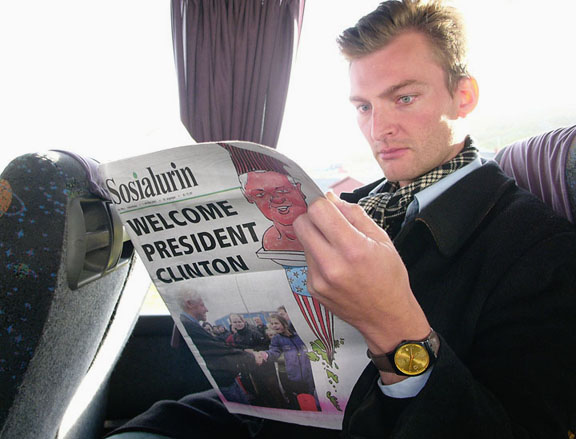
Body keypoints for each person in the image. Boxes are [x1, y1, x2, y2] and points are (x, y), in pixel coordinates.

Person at [106, 1, 576, 437]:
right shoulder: (348, 203)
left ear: (464, 96)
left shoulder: (541, 251)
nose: (378, 128)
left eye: (405, 98)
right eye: (364, 106)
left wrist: (395, 328)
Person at [262, 314, 319, 411]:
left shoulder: (298, 335)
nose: (274, 326)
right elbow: (274, 351)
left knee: (314, 396)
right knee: (303, 398)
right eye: (272, 324)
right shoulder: (277, 339)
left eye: (276, 323)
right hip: (294, 376)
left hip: (309, 374)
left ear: (284, 323)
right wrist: (266, 355)